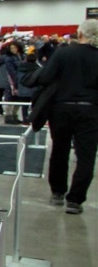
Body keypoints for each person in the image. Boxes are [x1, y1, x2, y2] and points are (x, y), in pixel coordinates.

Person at [34, 18, 98, 214]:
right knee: (86, 156)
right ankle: (75, 200)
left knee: (59, 151)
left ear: (80, 34)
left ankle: (58, 192)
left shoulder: (63, 52)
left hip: (61, 108)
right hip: (90, 110)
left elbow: (45, 77)